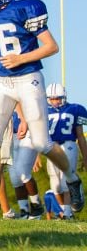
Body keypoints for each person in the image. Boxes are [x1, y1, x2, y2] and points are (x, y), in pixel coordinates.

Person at [0, 0, 84, 218]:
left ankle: (73, 179)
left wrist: (21, 58)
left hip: (28, 78)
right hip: (1, 82)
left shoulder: (25, 9)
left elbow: (51, 46)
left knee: (42, 142)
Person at [44, 83, 87, 220]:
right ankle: (64, 210)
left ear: (64, 97)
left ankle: (68, 213)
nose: (55, 101)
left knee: (65, 180)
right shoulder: (44, 110)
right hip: (51, 146)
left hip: (68, 144)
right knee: (55, 185)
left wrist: (85, 156)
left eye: (58, 98)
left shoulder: (74, 109)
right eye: (52, 99)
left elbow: (80, 135)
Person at [8, 109, 44, 219]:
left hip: (28, 133)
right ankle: (24, 210)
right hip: (11, 137)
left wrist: (37, 153)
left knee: (22, 172)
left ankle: (36, 205)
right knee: (15, 178)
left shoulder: (27, 96)